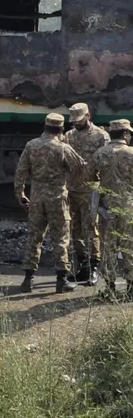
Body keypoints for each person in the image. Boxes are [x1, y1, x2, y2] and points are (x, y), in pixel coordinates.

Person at [14, 113, 85, 293]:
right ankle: (61, 280)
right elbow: (80, 166)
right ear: (61, 129)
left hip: (37, 197)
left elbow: (20, 171)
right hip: (57, 197)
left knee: (34, 237)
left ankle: (27, 280)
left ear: (45, 127)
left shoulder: (31, 146)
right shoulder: (62, 147)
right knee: (60, 237)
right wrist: (65, 178)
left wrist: (20, 194)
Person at [64, 103, 110, 285]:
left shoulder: (101, 136)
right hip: (72, 188)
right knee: (75, 229)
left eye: (79, 119)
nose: (76, 123)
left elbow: (106, 163)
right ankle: (82, 266)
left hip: (90, 189)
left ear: (88, 116)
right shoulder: (68, 136)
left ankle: (94, 267)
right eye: (73, 121)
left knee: (91, 228)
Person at [90, 119, 133, 297]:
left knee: (108, 247)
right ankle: (131, 287)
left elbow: (90, 176)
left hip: (107, 208)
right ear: (124, 134)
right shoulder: (131, 153)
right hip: (129, 206)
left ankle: (110, 287)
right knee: (129, 245)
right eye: (129, 133)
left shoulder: (100, 153)